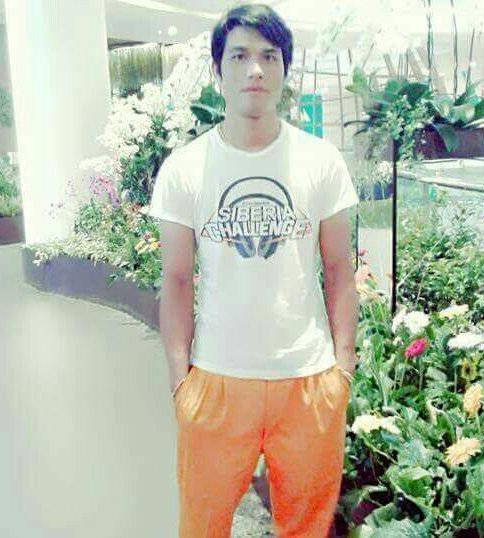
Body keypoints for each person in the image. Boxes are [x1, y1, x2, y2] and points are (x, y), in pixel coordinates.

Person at [148, 3, 360, 536]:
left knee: (306, 527)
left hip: (309, 381)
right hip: (216, 380)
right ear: (218, 69)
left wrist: (343, 368)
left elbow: (339, 268)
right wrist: (179, 382)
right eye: (239, 56)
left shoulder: (321, 161)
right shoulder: (185, 169)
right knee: (202, 525)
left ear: (286, 69)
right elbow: (175, 280)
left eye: (269, 56)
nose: (256, 70)